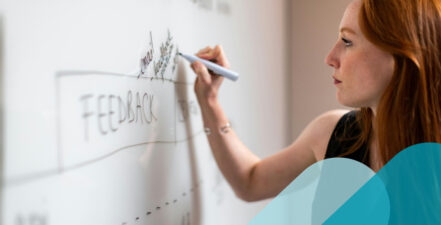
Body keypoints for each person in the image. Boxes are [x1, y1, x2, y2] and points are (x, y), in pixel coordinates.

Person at [190, 0, 441, 202]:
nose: (330, 57)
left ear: (400, 56)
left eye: (347, 41)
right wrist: (210, 102)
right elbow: (249, 182)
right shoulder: (334, 135)